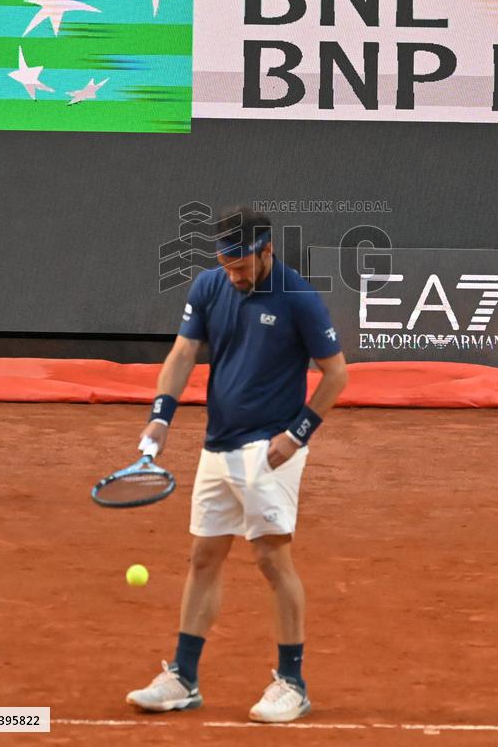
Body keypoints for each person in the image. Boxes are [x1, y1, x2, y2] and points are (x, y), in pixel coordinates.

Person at [126, 207, 347, 723]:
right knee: (204, 558)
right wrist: (161, 417)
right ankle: (182, 677)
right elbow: (183, 353)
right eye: (226, 264)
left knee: (272, 559)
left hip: (270, 449)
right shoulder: (209, 286)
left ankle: (292, 683)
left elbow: (336, 374)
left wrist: (297, 435)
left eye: (242, 265)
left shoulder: (299, 299)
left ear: (267, 251)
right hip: (217, 443)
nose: (234, 275)